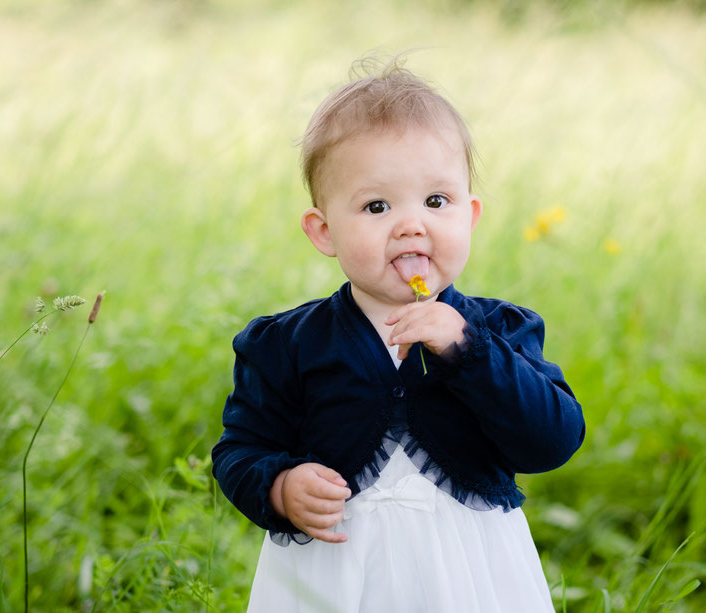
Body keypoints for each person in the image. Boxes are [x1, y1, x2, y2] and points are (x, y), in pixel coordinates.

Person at [211, 59, 585, 612]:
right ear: (324, 231)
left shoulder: (500, 330)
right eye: (377, 206)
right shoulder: (286, 344)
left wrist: (467, 350)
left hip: (468, 573)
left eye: (436, 201)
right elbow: (241, 448)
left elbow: (551, 441)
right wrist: (279, 485)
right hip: (335, 572)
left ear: (470, 215)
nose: (412, 224)